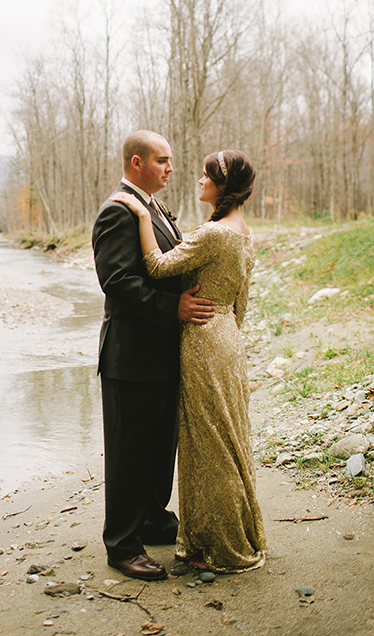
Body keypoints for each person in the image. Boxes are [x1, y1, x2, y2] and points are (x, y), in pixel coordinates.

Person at [111, 148, 266, 573]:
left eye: (206, 175)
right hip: (228, 336)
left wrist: (144, 218)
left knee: (208, 444)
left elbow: (158, 267)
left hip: (202, 339)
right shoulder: (242, 231)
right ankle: (224, 533)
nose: (198, 180)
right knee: (228, 437)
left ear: (223, 186)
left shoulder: (214, 233)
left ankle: (222, 542)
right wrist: (226, 328)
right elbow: (241, 302)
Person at [92, 130, 216, 581]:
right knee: (129, 453)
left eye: (171, 160)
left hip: (161, 353)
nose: (170, 167)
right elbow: (119, 283)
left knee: (159, 447)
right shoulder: (117, 211)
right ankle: (122, 544)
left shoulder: (152, 206)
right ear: (137, 162)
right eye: (162, 160)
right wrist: (174, 307)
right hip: (131, 358)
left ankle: (152, 518)